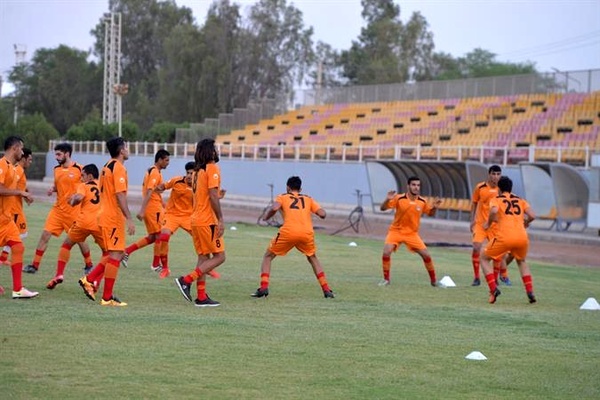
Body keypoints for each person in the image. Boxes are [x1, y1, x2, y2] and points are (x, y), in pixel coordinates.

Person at [251, 176, 334, 299]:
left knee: (268, 256)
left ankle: (263, 287)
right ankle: (326, 290)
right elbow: (323, 214)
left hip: (288, 232)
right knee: (312, 258)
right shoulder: (308, 199)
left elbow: (274, 207)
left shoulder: (282, 197)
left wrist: (266, 217)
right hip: (306, 233)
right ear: (300, 188)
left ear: (287, 187)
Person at [78, 137, 135, 306]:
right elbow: (120, 195)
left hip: (105, 215)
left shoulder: (106, 166)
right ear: (121, 150)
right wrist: (129, 218)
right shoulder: (118, 168)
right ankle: (107, 297)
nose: (128, 149)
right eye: (126, 147)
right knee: (116, 255)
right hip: (112, 217)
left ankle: (89, 279)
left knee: (112, 254)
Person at [23, 143, 94, 274]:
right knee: (45, 235)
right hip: (57, 210)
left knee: (80, 240)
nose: (56, 157)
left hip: (73, 212)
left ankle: (89, 265)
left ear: (67, 154)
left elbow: (89, 186)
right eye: (55, 154)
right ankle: (34, 265)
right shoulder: (56, 169)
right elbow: (58, 186)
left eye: (59, 154)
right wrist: (53, 189)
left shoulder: (80, 169)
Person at [175, 138, 226, 307]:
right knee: (220, 257)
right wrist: (220, 218)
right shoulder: (212, 169)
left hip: (195, 219)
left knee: (203, 257)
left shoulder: (197, 171)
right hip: (207, 221)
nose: (217, 151)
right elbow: (212, 195)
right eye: (215, 148)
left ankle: (201, 297)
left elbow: (206, 194)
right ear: (209, 151)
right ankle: (186, 280)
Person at [153, 161, 221, 280]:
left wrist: (220, 196)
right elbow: (163, 186)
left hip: (189, 217)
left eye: (192, 173)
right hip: (172, 215)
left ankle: (207, 267)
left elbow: (210, 195)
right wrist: (158, 188)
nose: (190, 176)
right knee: (164, 236)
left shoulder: (198, 184)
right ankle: (165, 268)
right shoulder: (176, 181)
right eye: (188, 173)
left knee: (203, 241)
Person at [46, 164, 105, 290]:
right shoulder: (103, 185)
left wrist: (73, 201)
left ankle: (59, 274)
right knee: (108, 254)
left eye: (82, 175)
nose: (81, 178)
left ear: (89, 176)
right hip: (99, 224)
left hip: (83, 222)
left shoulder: (83, 186)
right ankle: (95, 283)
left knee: (66, 245)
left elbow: (79, 197)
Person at [481, 176, 537, 304]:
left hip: (504, 236)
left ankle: (493, 289)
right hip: (522, 236)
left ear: (499, 189)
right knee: (522, 261)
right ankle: (530, 291)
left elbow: (494, 210)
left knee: (483, 259)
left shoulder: (497, 199)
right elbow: (533, 215)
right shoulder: (520, 200)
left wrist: (488, 223)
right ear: (511, 188)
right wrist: (526, 222)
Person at [379, 176, 442, 287]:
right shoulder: (399, 198)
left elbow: (430, 213)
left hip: (412, 234)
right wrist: (387, 199)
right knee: (386, 252)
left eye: (418, 185)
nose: (416, 187)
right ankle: (386, 280)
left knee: (426, 255)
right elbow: (382, 208)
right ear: (408, 186)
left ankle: (434, 281)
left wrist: (435, 207)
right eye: (413, 185)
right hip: (396, 231)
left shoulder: (423, 201)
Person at [0, 136, 37, 299]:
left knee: (18, 248)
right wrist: (20, 192)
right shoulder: (2, 164)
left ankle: (17, 289)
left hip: (6, 220)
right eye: (21, 148)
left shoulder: (12, 168)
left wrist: (24, 194)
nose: (22, 152)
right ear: (14, 148)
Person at [121, 149, 170, 270]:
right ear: (159, 160)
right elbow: (149, 191)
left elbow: (154, 192)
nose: (168, 163)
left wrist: (163, 204)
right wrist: (142, 210)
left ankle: (127, 251)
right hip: (152, 208)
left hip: (155, 206)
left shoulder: (156, 171)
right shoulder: (154, 172)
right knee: (159, 234)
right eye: (166, 160)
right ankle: (155, 264)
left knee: (153, 237)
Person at [470, 165, 511, 286]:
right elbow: (474, 202)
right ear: (489, 174)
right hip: (481, 224)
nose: (496, 177)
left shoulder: (502, 189)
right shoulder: (480, 187)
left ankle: (496, 278)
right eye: (494, 174)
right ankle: (476, 278)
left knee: (497, 254)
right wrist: (472, 220)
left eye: (498, 174)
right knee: (476, 246)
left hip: (495, 226)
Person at [0, 147, 33, 264]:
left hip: (14, 209)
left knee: (18, 239)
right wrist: (22, 193)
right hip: (13, 210)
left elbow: (17, 185)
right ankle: (3, 258)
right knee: (21, 234)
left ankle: (3, 258)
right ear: (23, 158)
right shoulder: (16, 169)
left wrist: (25, 193)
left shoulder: (19, 170)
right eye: (29, 159)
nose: (31, 162)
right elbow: (9, 187)